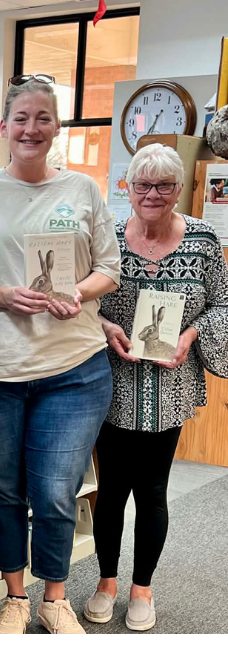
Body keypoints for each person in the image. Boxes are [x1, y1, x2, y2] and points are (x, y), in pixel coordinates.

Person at [0, 75, 120, 635]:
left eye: (43, 118)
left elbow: (109, 268)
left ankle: (55, 597)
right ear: (4, 127)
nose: (31, 128)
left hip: (73, 371)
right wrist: (2, 295)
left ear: (56, 128)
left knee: (54, 490)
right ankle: (16, 597)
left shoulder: (83, 190)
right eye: (21, 118)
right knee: (1, 491)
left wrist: (79, 292)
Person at [84, 143, 228, 631]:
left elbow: (223, 306)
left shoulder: (204, 239)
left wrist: (191, 336)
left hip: (170, 388)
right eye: (142, 184)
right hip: (110, 381)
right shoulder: (106, 239)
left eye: (164, 185)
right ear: (127, 187)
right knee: (111, 490)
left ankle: (142, 587)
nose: (152, 194)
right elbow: (79, 297)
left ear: (179, 188)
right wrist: (106, 327)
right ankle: (106, 581)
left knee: (153, 490)